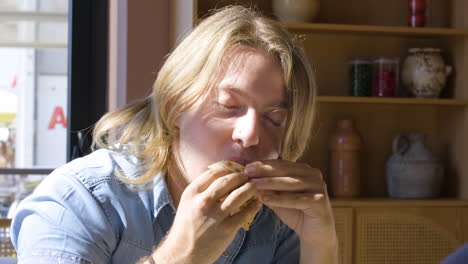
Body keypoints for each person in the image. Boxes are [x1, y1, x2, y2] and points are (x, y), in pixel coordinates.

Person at [11, 5, 338, 264]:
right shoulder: (78, 200)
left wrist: (320, 243)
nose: (251, 135)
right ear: (173, 108)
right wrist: (181, 256)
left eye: (275, 118)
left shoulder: (279, 221)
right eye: (228, 105)